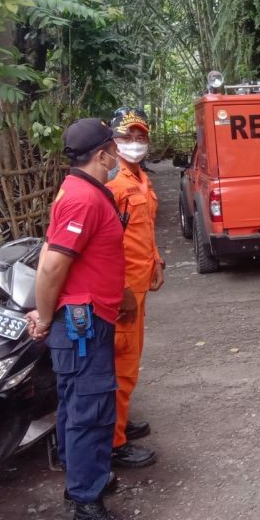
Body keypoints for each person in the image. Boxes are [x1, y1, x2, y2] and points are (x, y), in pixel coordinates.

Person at [27, 118, 133, 520]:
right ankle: (86, 505)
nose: (117, 153)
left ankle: (84, 480)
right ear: (102, 152)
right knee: (90, 410)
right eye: (113, 146)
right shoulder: (82, 199)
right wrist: (45, 315)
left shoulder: (83, 191)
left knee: (78, 406)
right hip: (81, 325)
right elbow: (52, 265)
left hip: (89, 319)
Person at [105, 107, 162, 469]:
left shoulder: (140, 178)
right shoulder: (112, 184)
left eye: (140, 137)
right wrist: (121, 290)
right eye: (128, 136)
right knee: (122, 364)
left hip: (139, 284)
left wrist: (157, 260)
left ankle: (120, 426)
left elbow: (142, 230)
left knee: (131, 359)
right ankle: (113, 443)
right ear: (113, 140)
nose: (135, 143)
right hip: (121, 291)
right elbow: (106, 245)